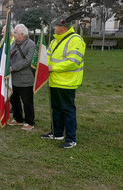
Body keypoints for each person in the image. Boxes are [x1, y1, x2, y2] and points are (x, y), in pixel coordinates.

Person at [41, 15, 86, 149]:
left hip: (67, 82)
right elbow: (48, 57)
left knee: (68, 110)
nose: (54, 28)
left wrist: (52, 68)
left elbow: (73, 62)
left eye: (55, 26)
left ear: (62, 27)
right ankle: (57, 133)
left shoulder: (75, 40)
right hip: (54, 81)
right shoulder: (55, 41)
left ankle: (71, 138)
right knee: (56, 109)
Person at [7, 24, 36, 130]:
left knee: (27, 101)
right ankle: (18, 118)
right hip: (13, 78)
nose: (13, 35)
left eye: (15, 33)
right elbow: (9, 54)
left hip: (25, 79)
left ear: (22, 34)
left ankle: (30, 121)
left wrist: (12, 67)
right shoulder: (14, 43)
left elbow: (27, 61)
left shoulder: (31, 44)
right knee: (14, 100)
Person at [0, 25, 15, 111]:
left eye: (3, 32)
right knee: (1, 87)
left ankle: (11, 106)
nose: (1, 34)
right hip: (1, 68)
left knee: (9, 86)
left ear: (9, 33)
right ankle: (0, 104)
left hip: (8, 69)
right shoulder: (3, 40)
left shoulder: (13, 41)